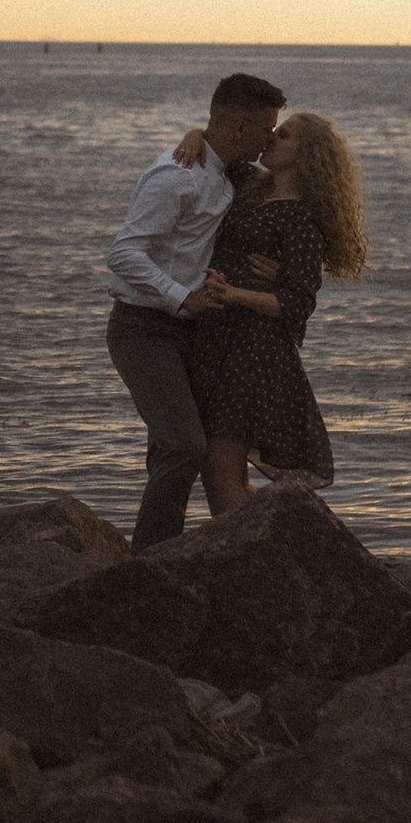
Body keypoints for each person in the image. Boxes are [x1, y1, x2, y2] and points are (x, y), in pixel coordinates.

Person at [103, 73, 286, 549]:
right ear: (242, 126)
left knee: (171, 448)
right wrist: (183, 297)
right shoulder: (177, 175)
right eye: (268, 128)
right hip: (143, 329)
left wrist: (277, 274)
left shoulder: (226, 171)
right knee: (185, 445)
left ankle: (156, 558)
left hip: (190, 334)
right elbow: (123, 254)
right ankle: (150, 560)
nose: (270, 139)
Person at [179, 111, 368, 515]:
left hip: (254, 353)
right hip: (216, 342)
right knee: (222, 469)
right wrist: (195, 134)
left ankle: (242, 561)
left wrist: (233, 293)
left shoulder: (302, 219)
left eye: (282, 136)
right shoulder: (250, 185)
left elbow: (297, 304)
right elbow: (218, 153)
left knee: (219, 467)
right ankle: (262, 546)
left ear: (308, 155)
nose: (270, 139)